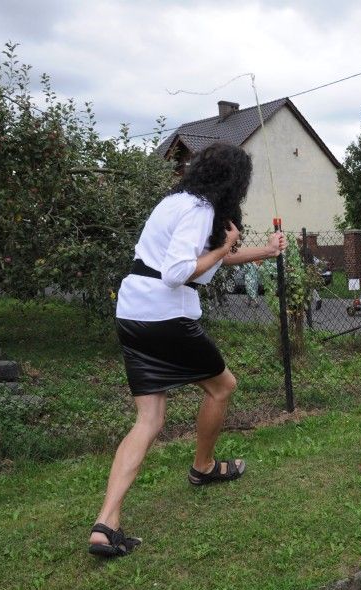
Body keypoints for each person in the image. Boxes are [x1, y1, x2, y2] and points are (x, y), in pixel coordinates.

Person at [88, 143, 287, 558]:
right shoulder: (200, 210)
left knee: (149, 419)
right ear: (234, 182)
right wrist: (224, 246)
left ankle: (106, 524)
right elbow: (178, 272)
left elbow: (206, 260)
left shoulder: (175, 202)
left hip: (133, 314)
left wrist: (264, 251)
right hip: (166, 316)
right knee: (222, 386)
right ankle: (203, 467)